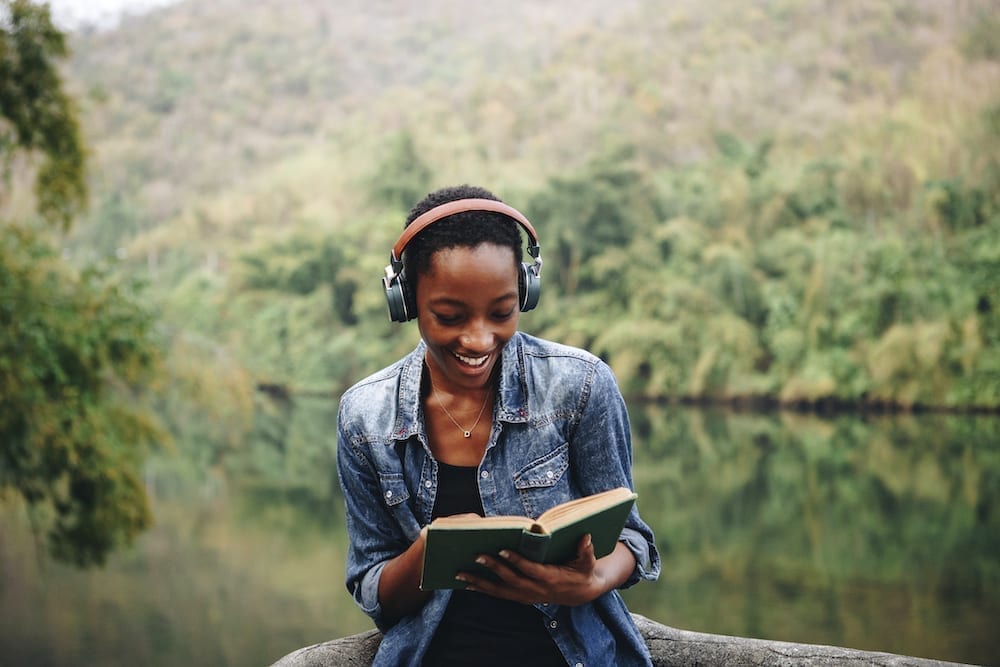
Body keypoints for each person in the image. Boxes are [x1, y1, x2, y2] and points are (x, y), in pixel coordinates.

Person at [336, 184, 660, 666]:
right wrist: (426, 553)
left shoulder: (581, 386)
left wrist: (589, 581)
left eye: (502, 312)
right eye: (449, 316)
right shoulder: (365, 418)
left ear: (524, 294)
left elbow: (634, 541)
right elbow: (374, 591)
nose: (480, 338)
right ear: (405, 301)